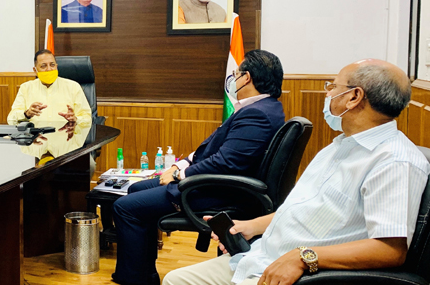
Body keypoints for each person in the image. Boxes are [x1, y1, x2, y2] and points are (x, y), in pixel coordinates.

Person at [163, 59, 430, 285]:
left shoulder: (394, 161)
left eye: (332, 87)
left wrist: (304, 257)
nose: (327, 94)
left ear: (353, 97)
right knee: (175, 279)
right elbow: (305, 207)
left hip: (301, 274)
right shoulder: (339, 146)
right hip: (261, 256)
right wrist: (250, 226)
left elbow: (390, 250)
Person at [111, 49, 286, 285]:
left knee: (124, 207)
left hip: (215, 190)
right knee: (135, 190)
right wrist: (179, 165)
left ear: (247, 78)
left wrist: (180, 175)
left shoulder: (257, 114)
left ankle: (134, 279)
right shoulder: (264, 107)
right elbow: (212, 149)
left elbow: (226, 163)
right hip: (214, 182)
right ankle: (145, 272)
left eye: (236, 74)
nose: (233, 79)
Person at [7, 49, 92, 126]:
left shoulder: (73, 87)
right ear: (35, 70)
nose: (49, 69)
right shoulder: (26, 88)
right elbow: (11, 119)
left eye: (52, 65)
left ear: (56, 66)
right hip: (36, 139)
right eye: (43, 66)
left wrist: (76, 119)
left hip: (65, 139)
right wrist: (26, 114)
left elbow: (88, 118)